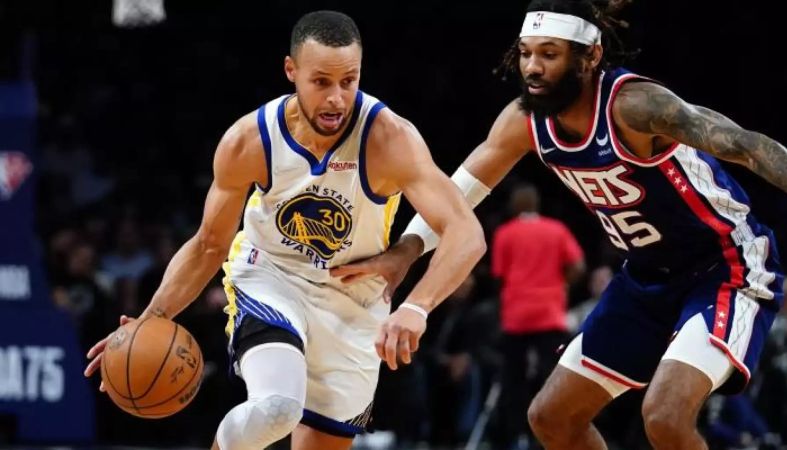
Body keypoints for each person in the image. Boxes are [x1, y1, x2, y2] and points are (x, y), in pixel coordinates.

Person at [334, 0, 787, 448]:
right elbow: (459, 194)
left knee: (665, 416)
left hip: (726, 265)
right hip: (645, 277)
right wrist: (405, 252)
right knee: (551, 418)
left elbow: (743, 143)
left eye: (549, 54)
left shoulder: (636, 106)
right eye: (526, 54)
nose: (532, 67)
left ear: (590, 56)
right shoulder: (524, 121)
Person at [82, 10, 485, 450]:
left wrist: (417, 308)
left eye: (348, 81)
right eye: (321, 82)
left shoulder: (389, 139)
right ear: (291, 71)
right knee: (277, 407)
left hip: (354, 298)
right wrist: (150, 319)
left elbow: (466, 232)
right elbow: (208, 245)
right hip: (271, 277)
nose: (336, 98)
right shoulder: (249, 141)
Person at [491, 182, 584, 448]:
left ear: (514, 206)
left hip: (516, 316)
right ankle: (546, 439)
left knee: (513, 383)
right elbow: (578, 265)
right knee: (549, 380)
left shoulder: (505, 233)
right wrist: (561, 283)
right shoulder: (556, 230)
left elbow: (499, 276)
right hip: (549, 313)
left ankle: (514, 439)